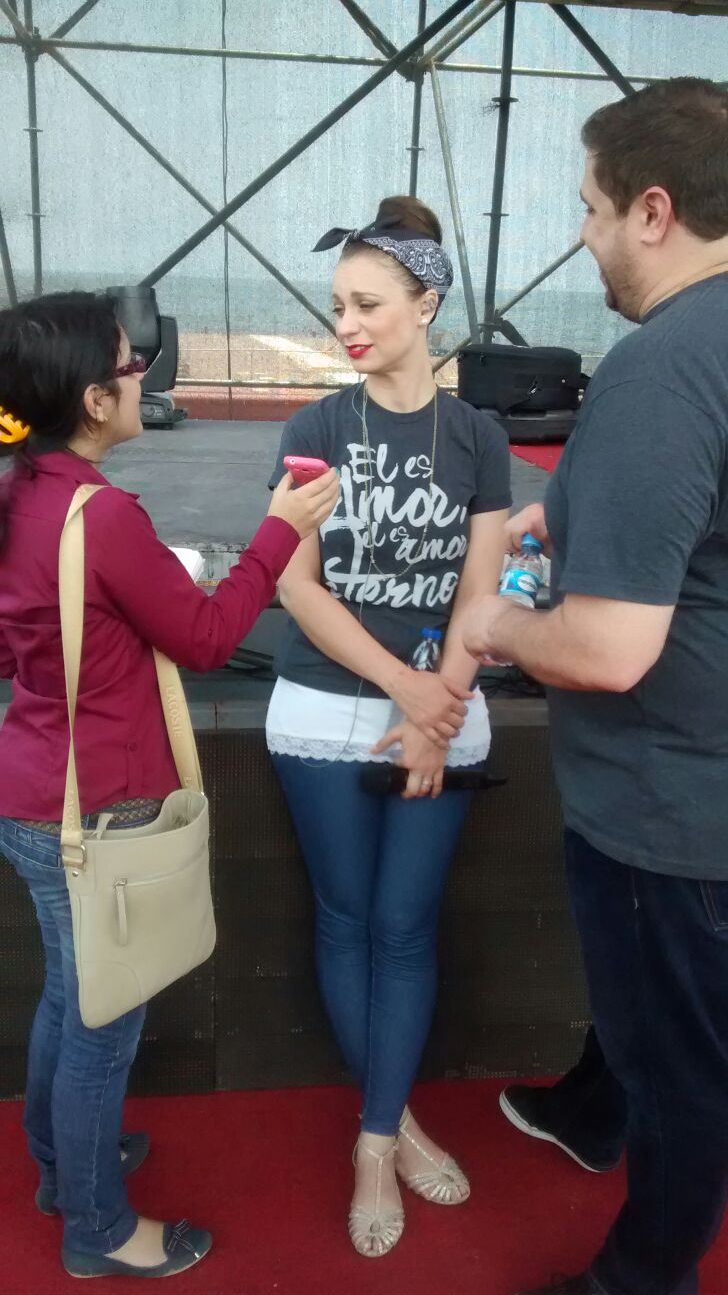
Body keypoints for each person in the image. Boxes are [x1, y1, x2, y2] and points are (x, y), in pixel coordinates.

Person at [0, 291, 338, 1280]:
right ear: (93, 398)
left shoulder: (22, 494)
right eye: (128, 362)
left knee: (72, 999)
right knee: (105, 1026)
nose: (144, 373)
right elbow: (205, 637)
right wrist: (277, 533)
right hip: (101, 810)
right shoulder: (101, 517)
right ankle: (98, 1229)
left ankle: (62, 1167)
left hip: (34, 790)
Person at [463, 78, 728, 1295]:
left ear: (652, 211)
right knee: (665, 1020)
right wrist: (563, 522)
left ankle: (639, 1274)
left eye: (589, 207)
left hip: (667, 814)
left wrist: (494, 620)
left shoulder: (659, 370)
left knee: (680, 1066)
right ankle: (588, 1105)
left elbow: (611, 649)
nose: (581, 233)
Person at [266, 194, 511, 1258]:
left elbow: (480, 591)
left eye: (367, 303)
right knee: (346, 918)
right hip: (325, 706)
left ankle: (374, 1135)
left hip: (442, 710)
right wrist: (405, 693)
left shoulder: (477, 436)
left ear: (427, 305)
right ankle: (390, 1131)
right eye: (337, 306)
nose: (346, 325)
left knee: (404, 926)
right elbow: (295, 582)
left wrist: (433, 711)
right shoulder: (317, 429)